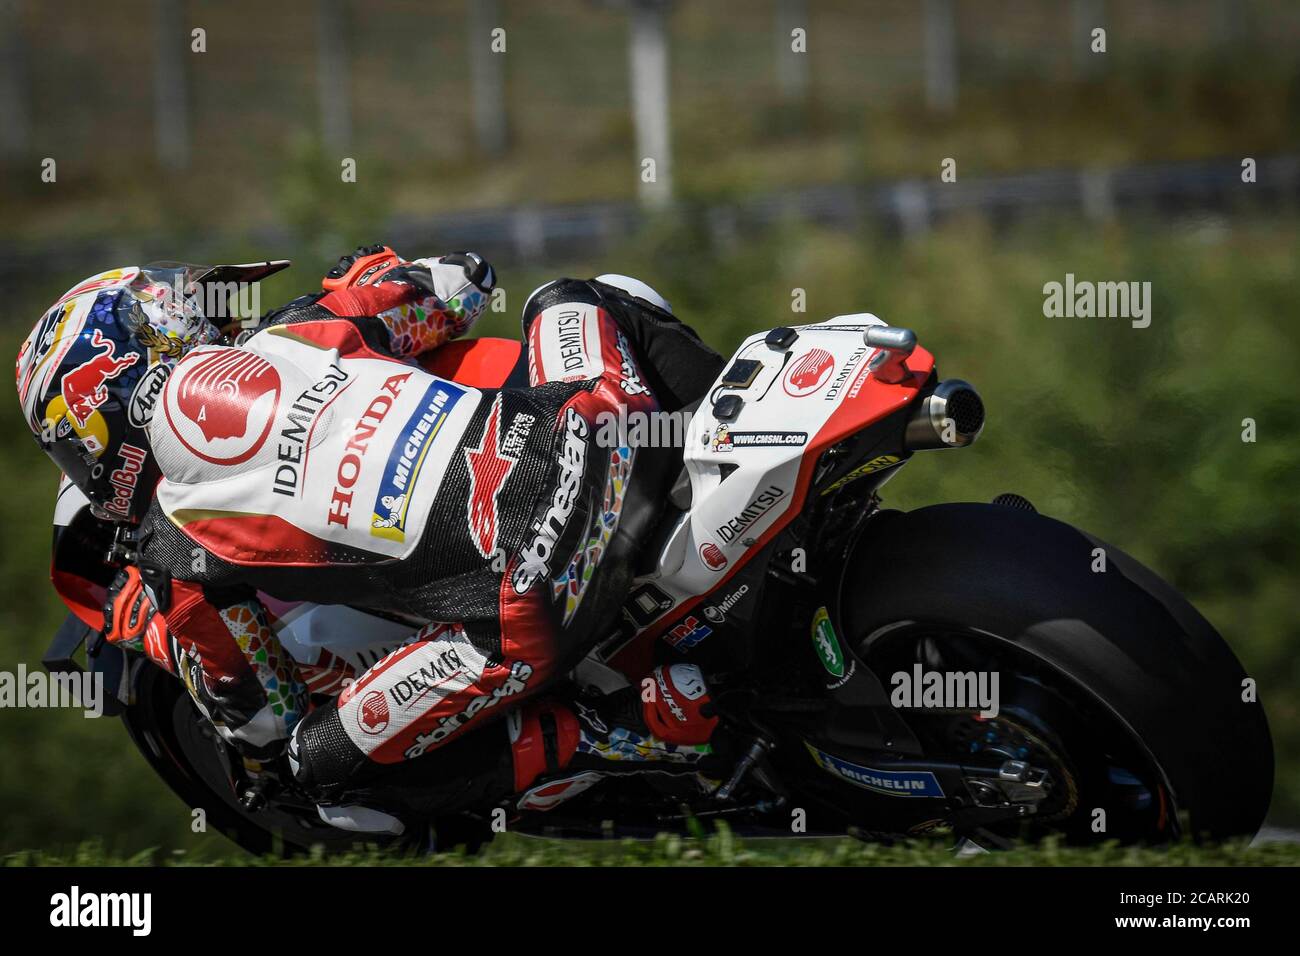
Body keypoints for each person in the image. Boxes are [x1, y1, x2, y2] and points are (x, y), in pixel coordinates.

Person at [16, 246, 727, 828]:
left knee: (319, 771)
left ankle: (626, 732)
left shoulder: (175, 561)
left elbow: (263, 718)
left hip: (534, 602)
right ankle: (736, 433)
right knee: (576, 294)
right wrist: (378, 275)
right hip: (603, 433)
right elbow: (464, 284)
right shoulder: (301, 326)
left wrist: (164, 638)